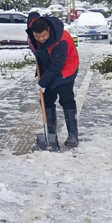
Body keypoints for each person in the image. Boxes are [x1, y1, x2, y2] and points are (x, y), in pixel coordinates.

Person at [29, 15, 80, 148]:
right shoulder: (33, 30)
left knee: (66, 98)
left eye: (43, 36)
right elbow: (31, 17)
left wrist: (42, 83)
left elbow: (57, 66)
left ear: (49, 29)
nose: (40, 39)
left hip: (66, 68)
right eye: (37, 36)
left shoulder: (61, 40)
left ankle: (73, 135)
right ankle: (51, 134)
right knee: (46, 98)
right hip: (48, 66)